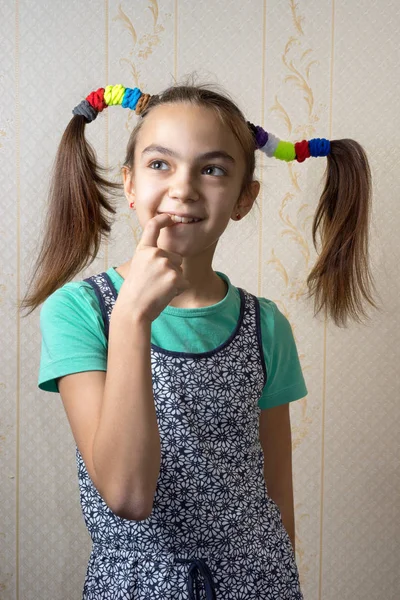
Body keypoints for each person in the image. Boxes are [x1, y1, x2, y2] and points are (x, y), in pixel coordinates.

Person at [20, 79, 379, 599]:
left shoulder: (265, 324)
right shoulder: (80, 313)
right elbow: (127, 495)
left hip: (259, 582)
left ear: (243, 198)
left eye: (212, 169)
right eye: (160, 164)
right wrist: (132, 319)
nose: (183, 187)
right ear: (131, 183)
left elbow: (276, 495)